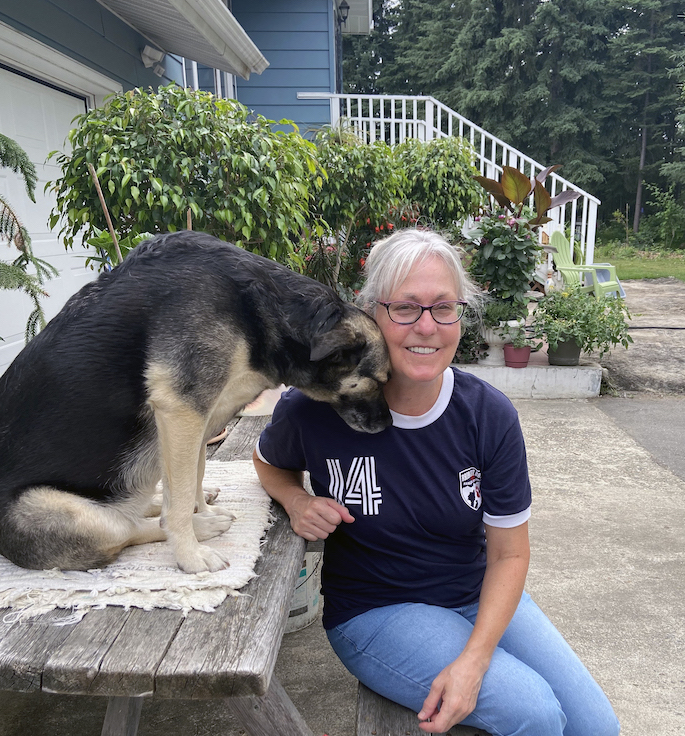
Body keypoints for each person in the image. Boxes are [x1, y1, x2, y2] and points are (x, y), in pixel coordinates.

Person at [253, 228, 620, 736]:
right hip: (376, 610)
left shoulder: (487, 415)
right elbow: (267, 460)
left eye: (443, 308)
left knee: (597, 728)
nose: (426, 327)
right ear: (372, 314)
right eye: (405, 308)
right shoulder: (320, 404)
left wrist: (474, 659)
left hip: (474, 592)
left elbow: (510, 554)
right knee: (533, 713)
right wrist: (295, 498)